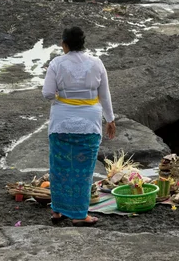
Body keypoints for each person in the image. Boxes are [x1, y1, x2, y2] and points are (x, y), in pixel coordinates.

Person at [42, 27, 116, 226]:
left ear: (64, 44)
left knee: (59, 167)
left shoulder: (57, 63)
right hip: (88, 123)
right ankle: (79, 215)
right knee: (83, 170)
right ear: (83, 43)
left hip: (61, 122)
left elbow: (47, 93)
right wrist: (110, 119)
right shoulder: (97, 63)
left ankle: (57, 211)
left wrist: (62, 96)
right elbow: (105, 95)